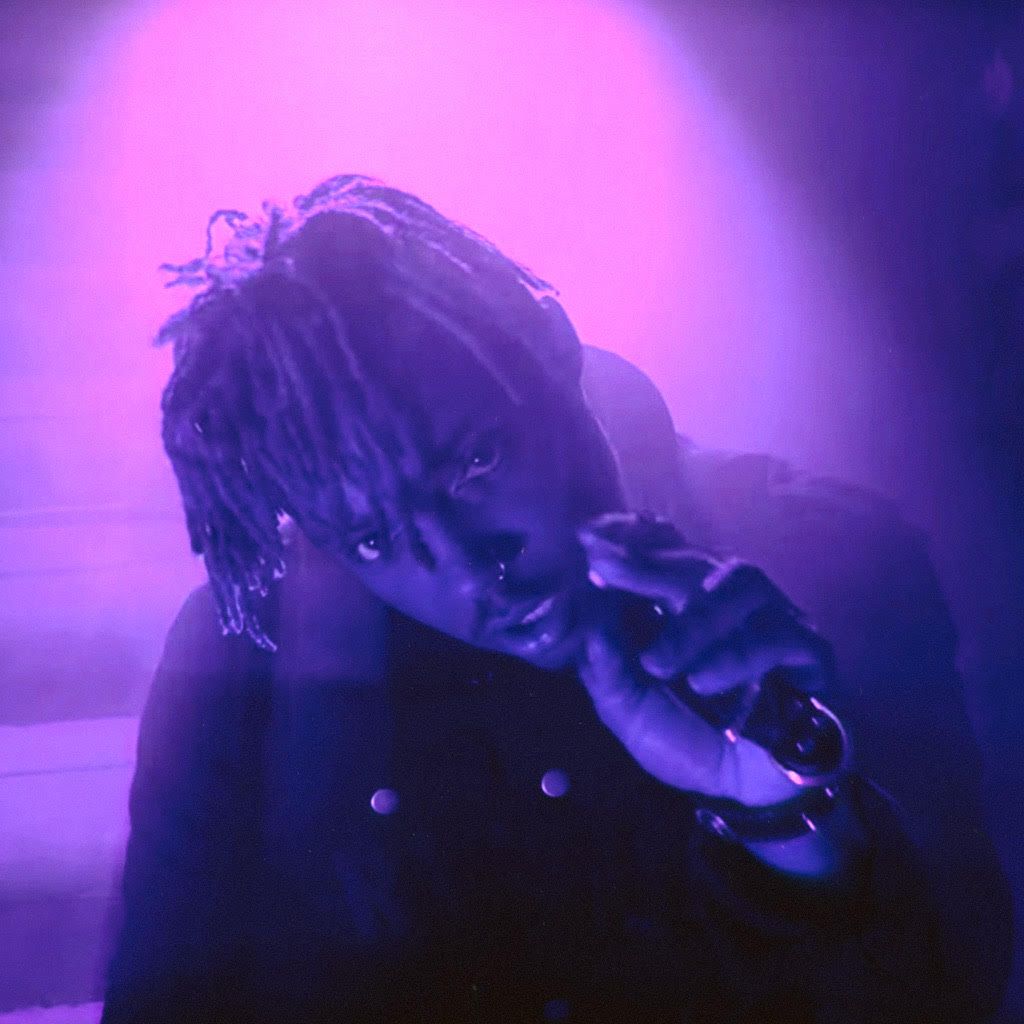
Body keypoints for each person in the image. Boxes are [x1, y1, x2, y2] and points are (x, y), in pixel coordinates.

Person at [100, 175, 1012, 1023]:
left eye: (475, 462)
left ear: (552, 344)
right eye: (374, 538)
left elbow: (957, 993)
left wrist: (785, 811)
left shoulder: (823, 552)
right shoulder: (242, 665)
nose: (467, 572)